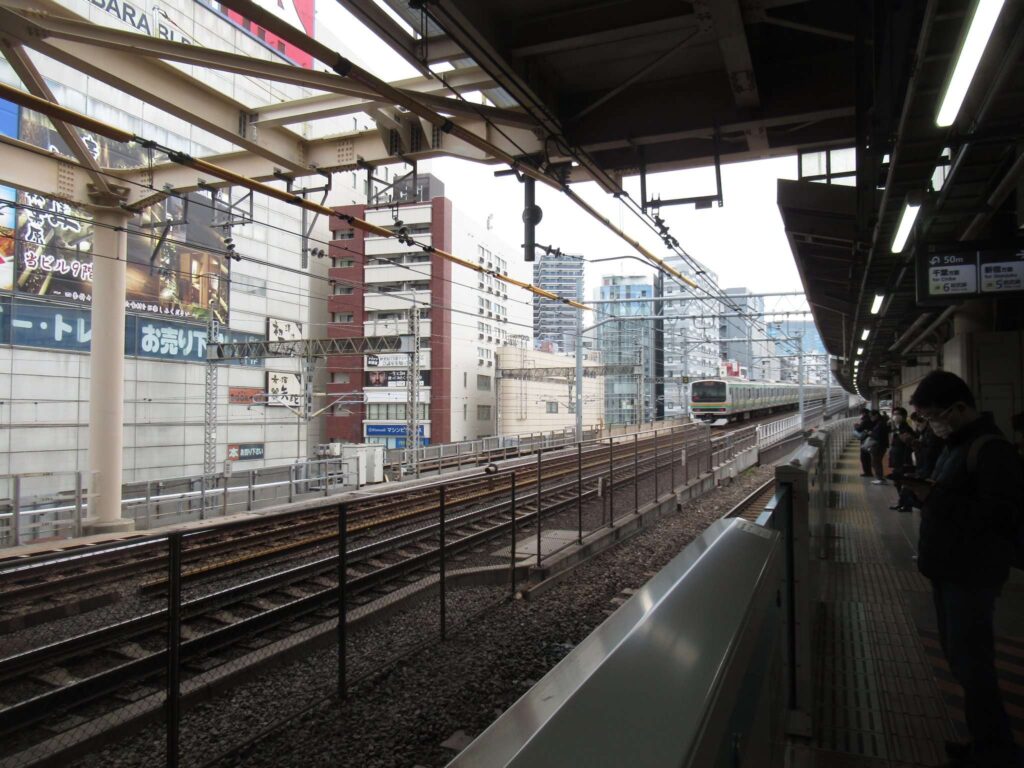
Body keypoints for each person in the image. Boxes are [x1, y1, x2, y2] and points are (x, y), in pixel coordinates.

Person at [906, 371, 1024, 767]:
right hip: (950, 570)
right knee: (961, 659)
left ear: (958, 408)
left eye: (931, 415)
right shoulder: (955, 445)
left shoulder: (991, 451)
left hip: (972, 576)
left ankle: (995, 752)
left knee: (974, 666)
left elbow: (1001, 517)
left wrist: (937, 500)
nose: (928, 424)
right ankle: (983, 743)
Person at [887, 407, 915, 510]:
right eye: (894, 414)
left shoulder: (905, 428)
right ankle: (902, 502)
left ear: (903, 416)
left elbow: (908, 442)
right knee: (898, 481)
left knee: (903, 482)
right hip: (896, 458)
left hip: (903, 459)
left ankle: (907, 505)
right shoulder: (896, 427)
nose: (895, 416)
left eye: (898, 414)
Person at [868, 410, 891, 485]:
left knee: (876, 462)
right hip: (881, 446)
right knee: (876, 462)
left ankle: (880, 479)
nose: (870, 418)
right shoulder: (881, 422)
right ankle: (880, 478)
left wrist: (871, 434)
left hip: (878, 446)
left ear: (876, 415)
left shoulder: (880, 424)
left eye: (871, 416)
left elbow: (878, 436)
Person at [855, 407, 873, 477]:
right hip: (869, 439)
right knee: (867, 456)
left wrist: (856, 426)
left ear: (864, 413)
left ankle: (867, 472)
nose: (861, 415)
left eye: (861, 413)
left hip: (866, 440)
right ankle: (869, 472)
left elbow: (859, 429)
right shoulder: (870, 419)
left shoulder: (865, 420)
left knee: (864, 457)